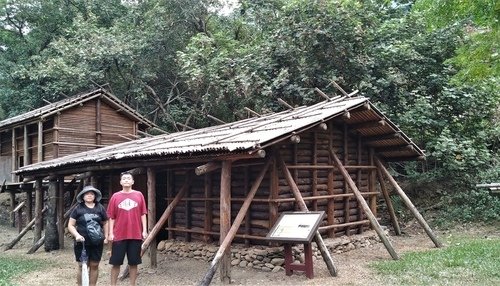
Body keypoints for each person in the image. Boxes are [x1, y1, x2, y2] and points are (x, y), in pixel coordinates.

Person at [107, 171, 148, 286]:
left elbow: (143, 214)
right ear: (120, 182)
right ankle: (113, 284)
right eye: (124, 178)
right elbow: (111, 217)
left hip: (135, 235)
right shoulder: (115, 196)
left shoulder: (139, 195)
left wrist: (144, 230)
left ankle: (132, 284)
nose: (126, 180)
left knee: (134, 263)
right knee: (116, 263)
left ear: (133, 181)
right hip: (119, 235)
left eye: (128, 178)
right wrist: (110, 233)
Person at [68, 185, 109, 286]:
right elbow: (70, 225)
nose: (89, 195)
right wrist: (77, 235)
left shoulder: (100, 208)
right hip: (82, 242)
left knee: (94, 265)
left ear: (95, 196)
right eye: (87, 194)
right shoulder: (78, 209)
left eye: (92, 194)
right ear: (82, 197)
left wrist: (106, 236)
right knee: (82, 265)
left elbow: (105, 223)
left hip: (97, 242)